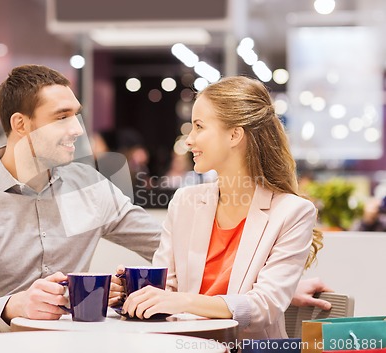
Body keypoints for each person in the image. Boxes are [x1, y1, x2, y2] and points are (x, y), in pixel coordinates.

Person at [0, 65, 161, 337]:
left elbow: (167, 247)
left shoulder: (89, 187)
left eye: (76, 115)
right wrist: (15, 305)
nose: (77, 129)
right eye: (61, 117)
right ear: (21, 124)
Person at [113, 76, 322, 339]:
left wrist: (184, 302)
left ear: (235, 134)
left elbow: (263, 307)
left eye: (199, 127)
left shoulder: (293, 212)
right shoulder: (185, 202)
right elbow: (168, 286)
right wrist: (133, 292)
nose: (189, 140)